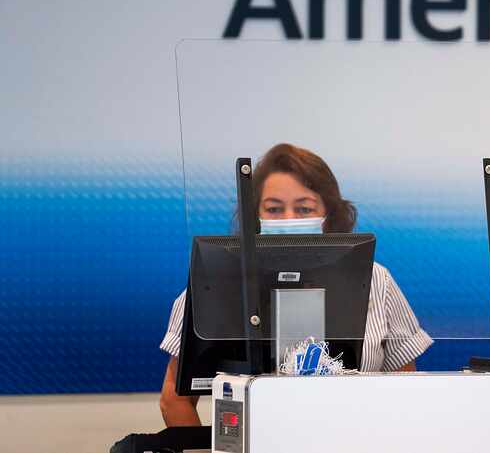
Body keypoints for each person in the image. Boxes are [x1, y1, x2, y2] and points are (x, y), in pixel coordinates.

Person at [158, 143, 433, 426]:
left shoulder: (378, 280)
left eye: (304, 209)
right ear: (256, 217)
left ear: (329, 215)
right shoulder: (215, 284)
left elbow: (406, 392)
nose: (289, 219)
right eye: (274, 209)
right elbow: (174, 401)